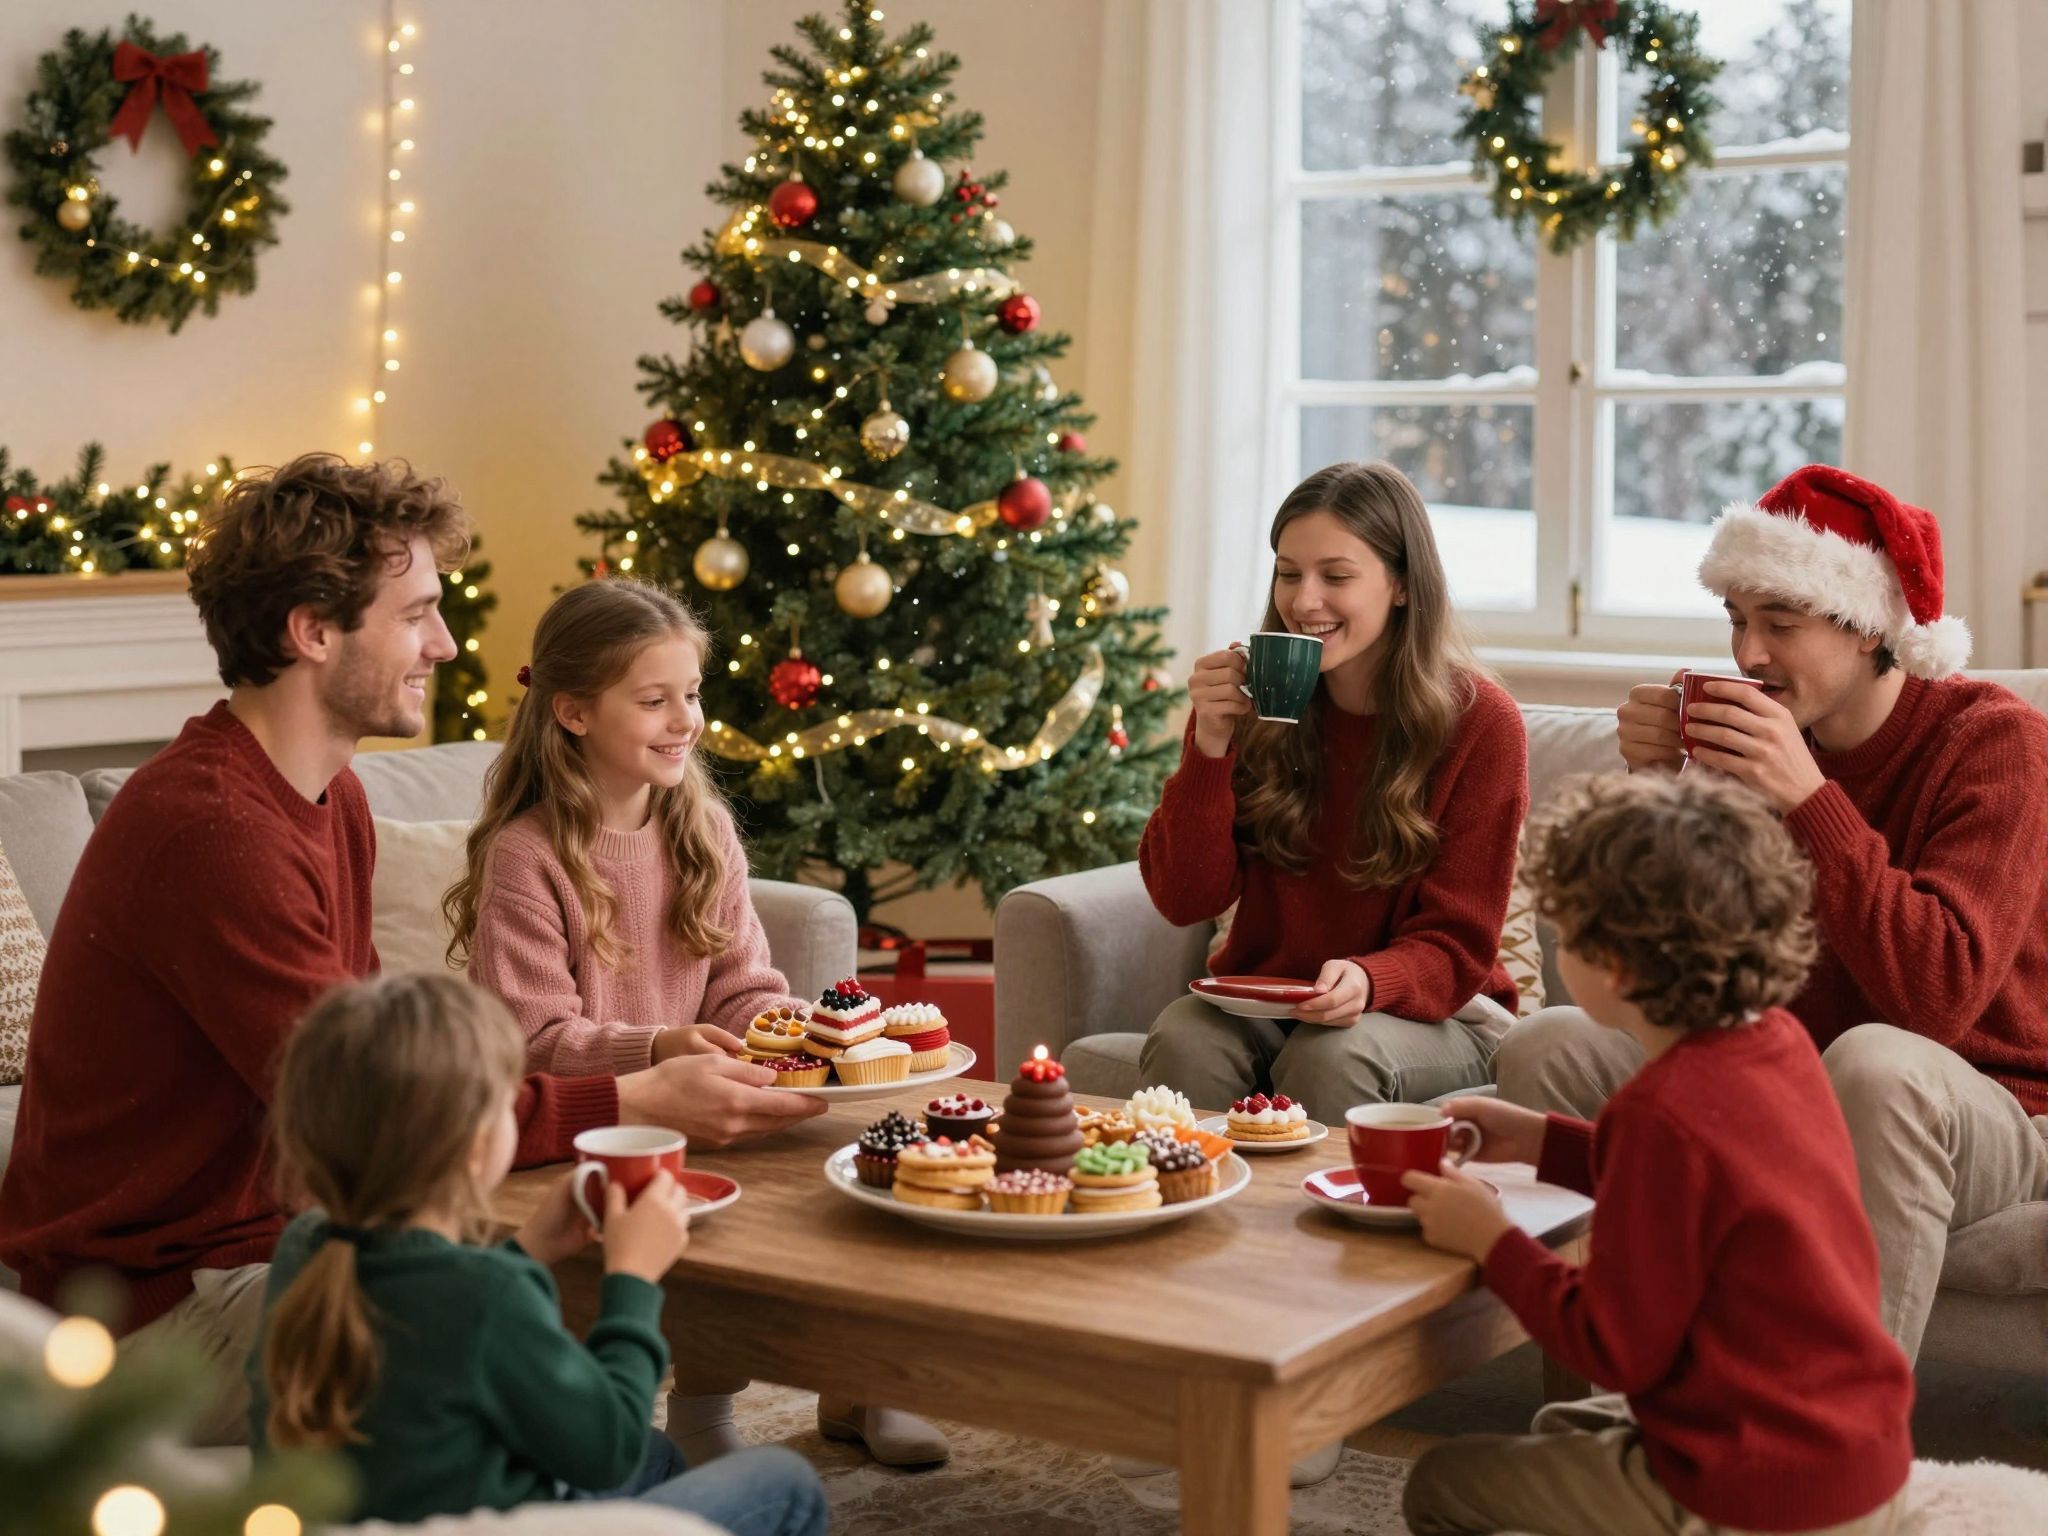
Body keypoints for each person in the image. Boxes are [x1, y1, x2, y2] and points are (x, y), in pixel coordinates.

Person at [0, 454, 818, 1445]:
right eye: (417, 613)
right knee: (535, 1377)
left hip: (292, 1244)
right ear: (311, 631)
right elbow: (376, 1109)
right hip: (152, 1308)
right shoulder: (211, 826)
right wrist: (635, 1095)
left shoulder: (327, 795)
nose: (443, 642)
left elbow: (395, 1070)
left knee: (546, 1293)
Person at [1496, 464, 2048, 1361]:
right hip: (1780, 1081)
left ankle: (1831, 1468)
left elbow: (1936, 1001)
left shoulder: (1994, 743)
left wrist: (1810, 801)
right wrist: (1657, 790)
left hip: (1989, 1106)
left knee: (1879, 1067)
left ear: (1871, 628)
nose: (1748, 655)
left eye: (1780, 625)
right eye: (1738, 622)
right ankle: (1610, 1436)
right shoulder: (1750, 741)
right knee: (1546, 1045)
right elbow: (1667, 982)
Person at [448, 577, 944, 1468]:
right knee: (714, 1183)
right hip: (600, 1121)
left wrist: (798, 1030)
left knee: (863, 1148)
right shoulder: (527, 857)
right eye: (654, 700)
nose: (687, 720)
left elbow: (742, 987)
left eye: (692, 694)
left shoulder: (703, 827)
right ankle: (707, 1406)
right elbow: (531, 1038)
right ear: (571, 712)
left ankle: (866, 1378)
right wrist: (661, 1047)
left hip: (702, 1090)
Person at [1402, 770, 1913, 1536]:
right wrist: (1547, 1143)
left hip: (1757, 1495)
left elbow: (1613, 1349)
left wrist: (1491, 1239)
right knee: (1563, 1428)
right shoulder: (1777, 1042)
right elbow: (1709, 1187)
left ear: (1618, 966)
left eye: (1566, 935)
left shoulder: (1660, 1112)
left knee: (1440, 1484)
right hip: (1859, 1463)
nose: (1557, 949)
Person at [252, 971, 828, 1535]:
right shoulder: (488, 1296)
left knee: (661, 1458)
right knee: (785, 1479)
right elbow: (611, 1447)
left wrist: (529, 1248)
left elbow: (442, 1323)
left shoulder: (306, 1246)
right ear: (481, 1143)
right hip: (499, 1522)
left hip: (395, 1511)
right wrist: (633, 1277)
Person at [1137, 460, 1527, 1125]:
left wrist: (1374, 979)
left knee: (1332, 1054)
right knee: (1184, 1034)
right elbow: (1184, 899)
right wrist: (1209, 746)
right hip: (1271, 1000)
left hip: (1432, 1011)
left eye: (1337, 576)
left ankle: (1324, 1231)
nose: (1304, 600)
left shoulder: (1481, 723)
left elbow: (1459, 947)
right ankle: (1194, 1221)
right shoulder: (1254, 701)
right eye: (1289, 573)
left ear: (1402, 585)